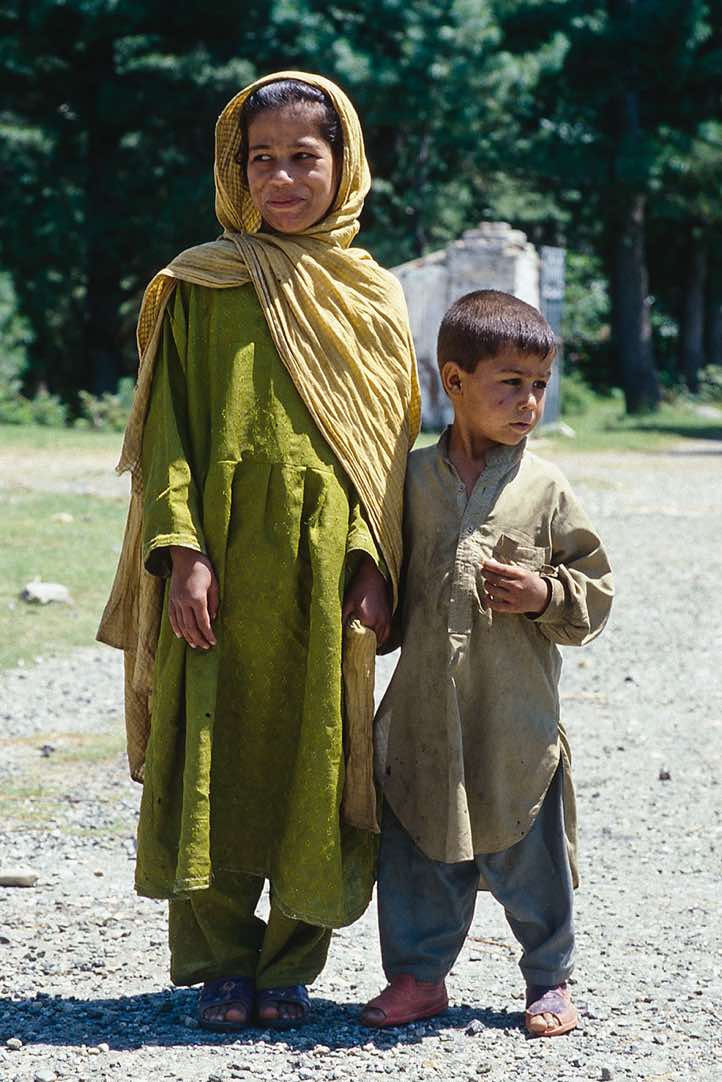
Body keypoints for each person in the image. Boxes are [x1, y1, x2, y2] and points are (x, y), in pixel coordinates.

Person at [97, 71, 419, 1031]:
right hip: (220, 567)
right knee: (211, 745)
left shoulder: (371, 296)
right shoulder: (201, 283)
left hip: (328, 571)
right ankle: (221, 963)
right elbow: (168, 431)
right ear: (234, 169)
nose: (281, 178)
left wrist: (375, 562)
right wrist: (181, 549)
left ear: (344, 164)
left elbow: (387, 452)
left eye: (303, 158)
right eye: (261, 158)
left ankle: (291, 963)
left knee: (320, 753)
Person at [361, 290, 613, 1037]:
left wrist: (544, 593)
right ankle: (417, 978)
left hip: (514, 715)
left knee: (531, 852)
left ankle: (549, 978)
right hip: (423, 715)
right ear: (454, 380)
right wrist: (372, 595)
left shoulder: (545, 487)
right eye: (510, 383)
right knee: (419, 848)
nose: (529, 401)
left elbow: (595, 591)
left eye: (539, 385)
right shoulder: (409, 479)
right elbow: (384, 565)